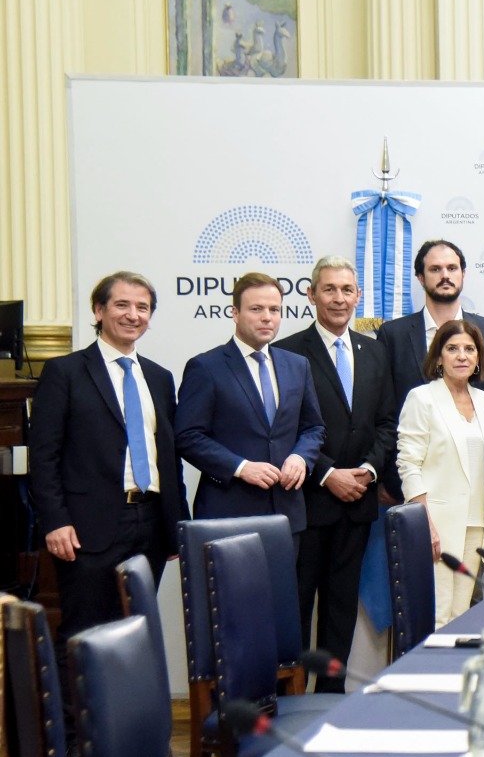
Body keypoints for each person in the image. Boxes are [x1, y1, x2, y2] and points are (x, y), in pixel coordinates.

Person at [30, 272, 190, 723]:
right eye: (121, 305)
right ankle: (78, 744)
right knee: (83, 634)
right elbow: (44, 457)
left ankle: (124, 733)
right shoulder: (64, 372)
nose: (132, 315)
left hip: (150, 524)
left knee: (133, 633)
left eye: (142, 308)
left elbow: (169, 456)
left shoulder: (159, 377)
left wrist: (176, 526)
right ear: (98, 311)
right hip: (85, 527)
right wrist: (55, 521)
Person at [274, 255, 397, 685]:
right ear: (311, 294)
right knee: (295, 610)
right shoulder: (287, 352)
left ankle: (328, 700)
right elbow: (283, 430)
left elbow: (386, 423)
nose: (339, 298)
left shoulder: (374, 351)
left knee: (340, 612)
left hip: (357, 504)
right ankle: (287, 706)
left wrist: (367, 469)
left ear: (358, 296)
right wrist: (329, 474)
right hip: (306, 503)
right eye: (329, 289)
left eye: (347, 290)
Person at [175, 272, 325, 537]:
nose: (267, 317)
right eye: (256, 309)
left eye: (274, 309)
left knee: (284, 581)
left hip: (286, 514)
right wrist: (241, 467)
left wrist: (301, 457)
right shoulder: (206, 367)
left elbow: (313, 427)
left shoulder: (297, 365)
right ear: (235, 313)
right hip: (228, 515)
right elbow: (187, 436)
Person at [377, 239, 484, 500]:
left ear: (463, 274)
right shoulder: (393, 334)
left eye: (452, 268)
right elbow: (384, 409)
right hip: (410, 482)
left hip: (478, 482)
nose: (445, 275)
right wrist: (385, 476)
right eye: (435, 269)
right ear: (420, 277)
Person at [396, 319, 484, 626]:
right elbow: (409, 464)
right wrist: (424, 522)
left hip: (475, 525)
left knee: (460, 617)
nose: (462, 356)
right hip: (436, 526)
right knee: (437, 617)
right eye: (452, 348)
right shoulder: (422, 398)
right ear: (438, 356)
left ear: (479, 358)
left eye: (470, 349)